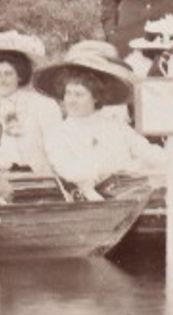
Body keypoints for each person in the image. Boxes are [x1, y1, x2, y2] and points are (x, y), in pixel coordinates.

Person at [36, 41, 162, 198]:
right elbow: (69, 170)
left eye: (79, 94)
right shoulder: (57, 134)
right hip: (91, 206)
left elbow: (147, 151)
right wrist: (124, 167)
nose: (71, 100)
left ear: (96, 97)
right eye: (68, 93)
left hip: (132, 195)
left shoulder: (116, 127)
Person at [0, 32, 61, 173]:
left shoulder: (43, 105)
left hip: (39, 182)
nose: (2, 80)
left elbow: (57, 151)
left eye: (8, 74)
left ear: (20, 76)